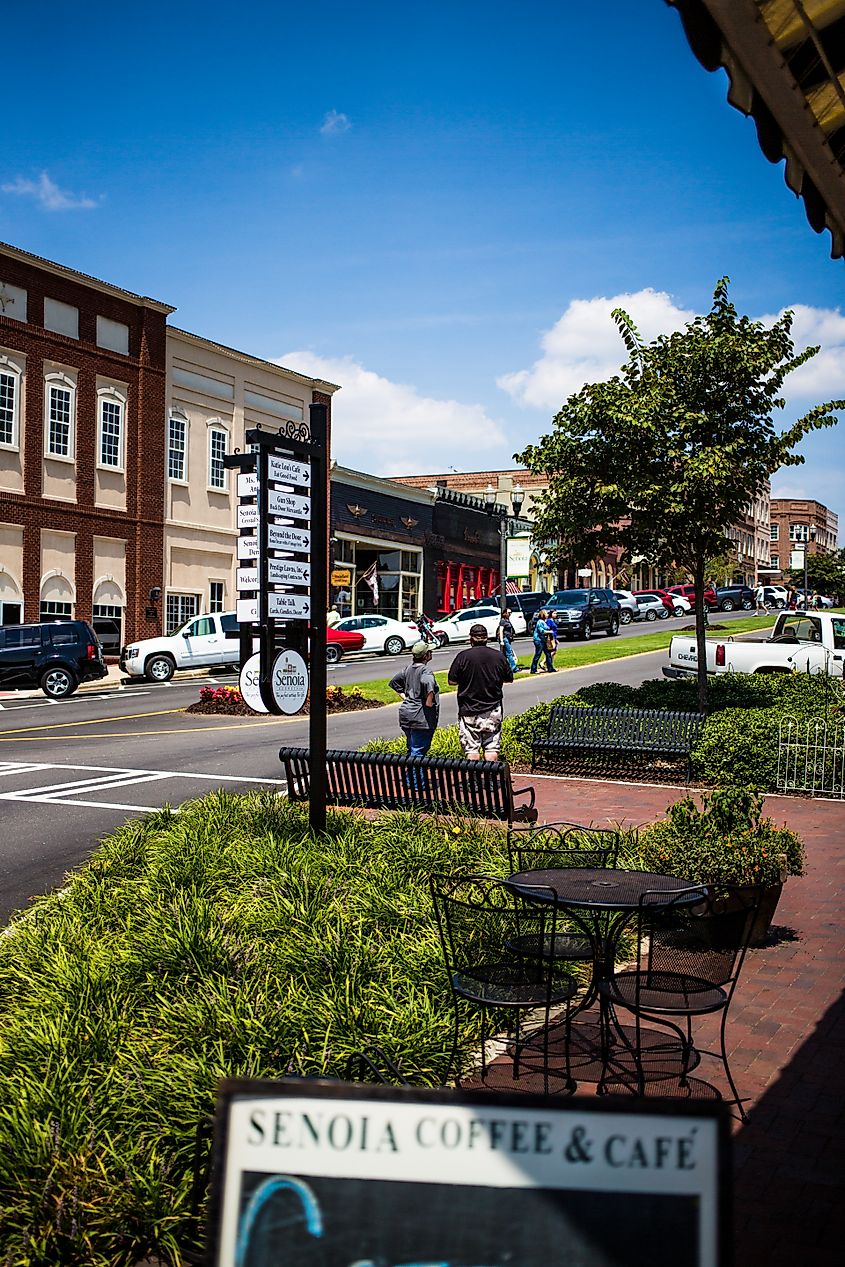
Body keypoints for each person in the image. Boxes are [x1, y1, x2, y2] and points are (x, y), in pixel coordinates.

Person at [448, 622, 513, 760]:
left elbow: (452, 681)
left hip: (468, 707)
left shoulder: (463, 657)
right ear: (487, 638)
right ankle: (491, 779)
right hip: (493, 707)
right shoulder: (498, 656)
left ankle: (475, 779)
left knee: (471, 748)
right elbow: (509, 678)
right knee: (492, 746)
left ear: (471, 638)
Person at [389, 640, 440, 761]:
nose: (431, 653)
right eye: (429, 652)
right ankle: (414, 780)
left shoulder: (408, 669)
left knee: (411, 749)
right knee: (418, 753)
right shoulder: (425, 670)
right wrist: (429, 702)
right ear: (425, 656)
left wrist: (406, 698)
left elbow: (394, 682)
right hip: (420, 717)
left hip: (406, 714)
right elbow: (428, 683)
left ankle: (410, 778)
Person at [530, 609, 556, 674]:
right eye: (546, 613)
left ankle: (550, 668)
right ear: (543, 614)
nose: (547, 614)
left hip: (543, 640)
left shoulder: (544, 622)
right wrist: (550, 632)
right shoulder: (540, 622)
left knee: (548, 654)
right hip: (538, 640)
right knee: (538, 654)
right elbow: (541, 631)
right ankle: (533, 669)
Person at [497, 607, 519, 673]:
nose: (510, 614)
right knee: (509, 653)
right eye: (509, 613)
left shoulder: (507, 620)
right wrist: (501, 640)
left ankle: (504, 668)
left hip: (508, 638)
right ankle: (514, 668)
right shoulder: (503, 621)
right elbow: (501, 631)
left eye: (510, 613)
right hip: (504, 638)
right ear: (505, 613)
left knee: (505, 654)